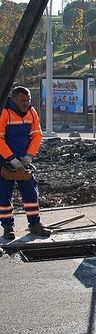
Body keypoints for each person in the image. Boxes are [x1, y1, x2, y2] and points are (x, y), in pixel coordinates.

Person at [0, 86, 52, 240]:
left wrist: (29, 156)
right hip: (4, 160)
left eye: (28, 99)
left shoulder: (31, 112)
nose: (27, 103)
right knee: (3, 196)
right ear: (14, 99)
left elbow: (37, 134)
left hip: (24, 160)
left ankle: (35, 224)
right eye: (23, 100)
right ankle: (8, 227)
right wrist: (11, 159)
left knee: (31, 193)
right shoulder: (5, 112)